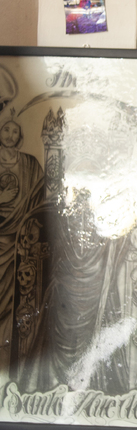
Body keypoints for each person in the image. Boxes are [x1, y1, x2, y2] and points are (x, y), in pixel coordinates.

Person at [0, 117, 44, 375]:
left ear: (19, 137)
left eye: (14, 131)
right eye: (6, 129)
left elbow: (41, 199)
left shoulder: (29, 164)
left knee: (15, 293)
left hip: (19, 239)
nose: (9, 134)